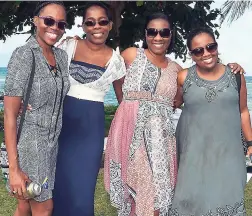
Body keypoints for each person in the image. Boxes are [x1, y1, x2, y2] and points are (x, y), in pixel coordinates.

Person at [104, 13, 245, 216]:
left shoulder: (177, 70)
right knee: (137, 193)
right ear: (146, 34)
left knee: (155, 199)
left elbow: (192, 100)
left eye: (164, 32)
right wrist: (128, 110)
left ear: (171, 36)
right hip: (129, 133)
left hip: (161, 140)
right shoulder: (131, 55)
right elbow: (117, 82)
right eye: (152, 32)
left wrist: (232, 71)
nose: (158, 37)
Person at [52, 2, 126, 216]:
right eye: (90, 22)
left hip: (90, 131)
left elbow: (124, 101)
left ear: (110, 25)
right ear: (83, 26)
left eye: (102, 21)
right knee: (56, 188)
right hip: (60, 127)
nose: (97, 27)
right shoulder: (66, 47)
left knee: (82, 193)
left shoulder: (116, 61)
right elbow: (45, 79)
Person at [170, 27, 252, 216]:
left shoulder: (236, 76)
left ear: (216, 47)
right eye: (198, 50)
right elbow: (172, 102)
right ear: (191, 54)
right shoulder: (183, 77)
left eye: (210, 47)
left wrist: (250, 142)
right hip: (192, 155)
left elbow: (243, 111)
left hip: (228, 154)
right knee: (190, 202)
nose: (206, 53)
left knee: (226, 199)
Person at [4, 1, 69, 216]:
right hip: (31, 143)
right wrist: (14, 169)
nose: (54, 28)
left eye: (61, 24)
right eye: (49, 21)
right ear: (35, 21)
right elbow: (10, 115)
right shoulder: (24, 55)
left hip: (52, 143)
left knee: (24, 204)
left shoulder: (61, 57)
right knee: (44, 207)